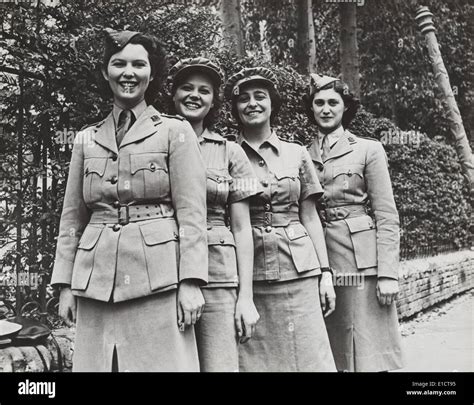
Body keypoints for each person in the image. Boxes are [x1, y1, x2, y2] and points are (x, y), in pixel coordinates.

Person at [50, 29, 208, 372]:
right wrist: (64, 285)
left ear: (151, 74)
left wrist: (192, 282)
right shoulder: (85, 139)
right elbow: (72, 217)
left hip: (158, 281)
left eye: (139, 64)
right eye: (118, 63)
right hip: (95, 284)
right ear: (106, 72)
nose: (128, 72)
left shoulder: (174, 132)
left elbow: (192, 214)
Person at [224, 67, 337, 372]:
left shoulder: (296, 153)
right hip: (251, 276)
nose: (252, 104)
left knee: (310, 358)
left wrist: (326, 272)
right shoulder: (225, 154)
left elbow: (311, 216)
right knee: (256, 362)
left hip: (300, 271)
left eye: (260, 97)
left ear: (273, 104)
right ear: (235, 108)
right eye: (243, 99)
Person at [304, 73, 404, 372]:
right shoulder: (301, 153)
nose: (325, 109)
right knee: (331, 349)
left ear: (345, 107)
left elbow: (386, 214)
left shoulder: (367, 149)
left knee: (368, 348)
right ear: (310, 108)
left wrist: (388, 273)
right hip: (319, 259)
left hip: (361, 260)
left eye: (333, 102)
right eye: (318, 102)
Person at [169, 57, 260, 372]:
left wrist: (245, 297)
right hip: (164, 273)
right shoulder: (153, 144)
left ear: (213, 101)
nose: (194, 95)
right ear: (173, 93)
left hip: (218, 276)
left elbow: (242, 227)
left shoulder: (230, 152)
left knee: (219, 364)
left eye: (204, 90)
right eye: (186, 88)